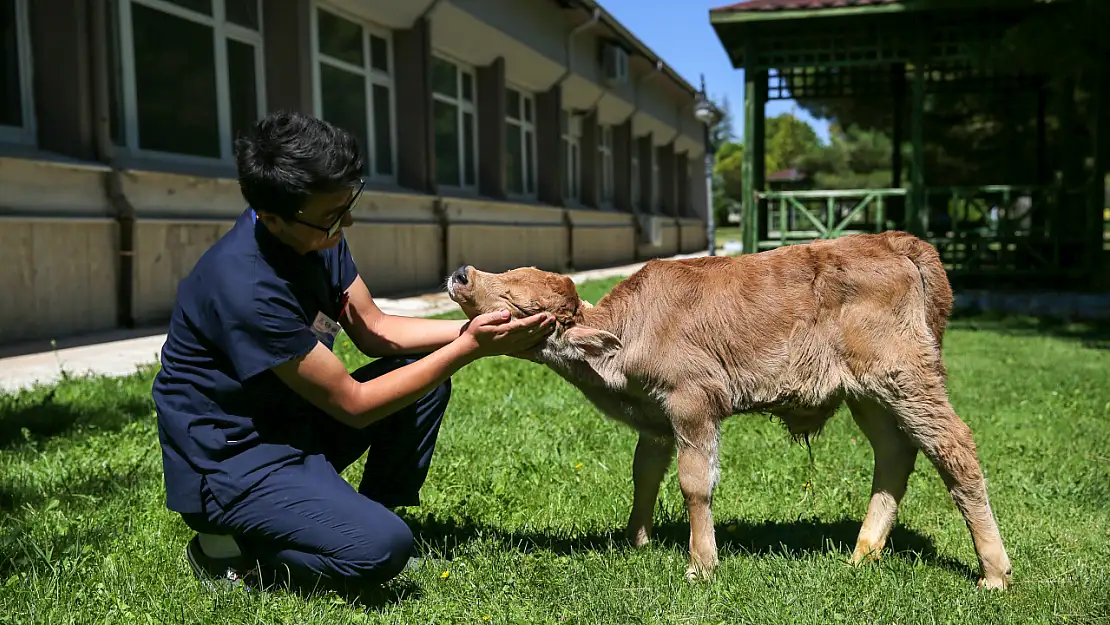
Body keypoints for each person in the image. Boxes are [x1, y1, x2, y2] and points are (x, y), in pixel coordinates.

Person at [151, 111, 554, 594]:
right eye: (332, 216)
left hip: (290, 421)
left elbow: (375, 330)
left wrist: (474, 328)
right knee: (381, 551)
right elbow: (355, 407)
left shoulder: (314, 234)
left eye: (349, 204)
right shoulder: (248, 286)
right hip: (234, 459)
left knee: (420, 381)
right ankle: (226, 550)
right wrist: (470, 348)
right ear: (272, 217)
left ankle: (367, 513)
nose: (347, 221)